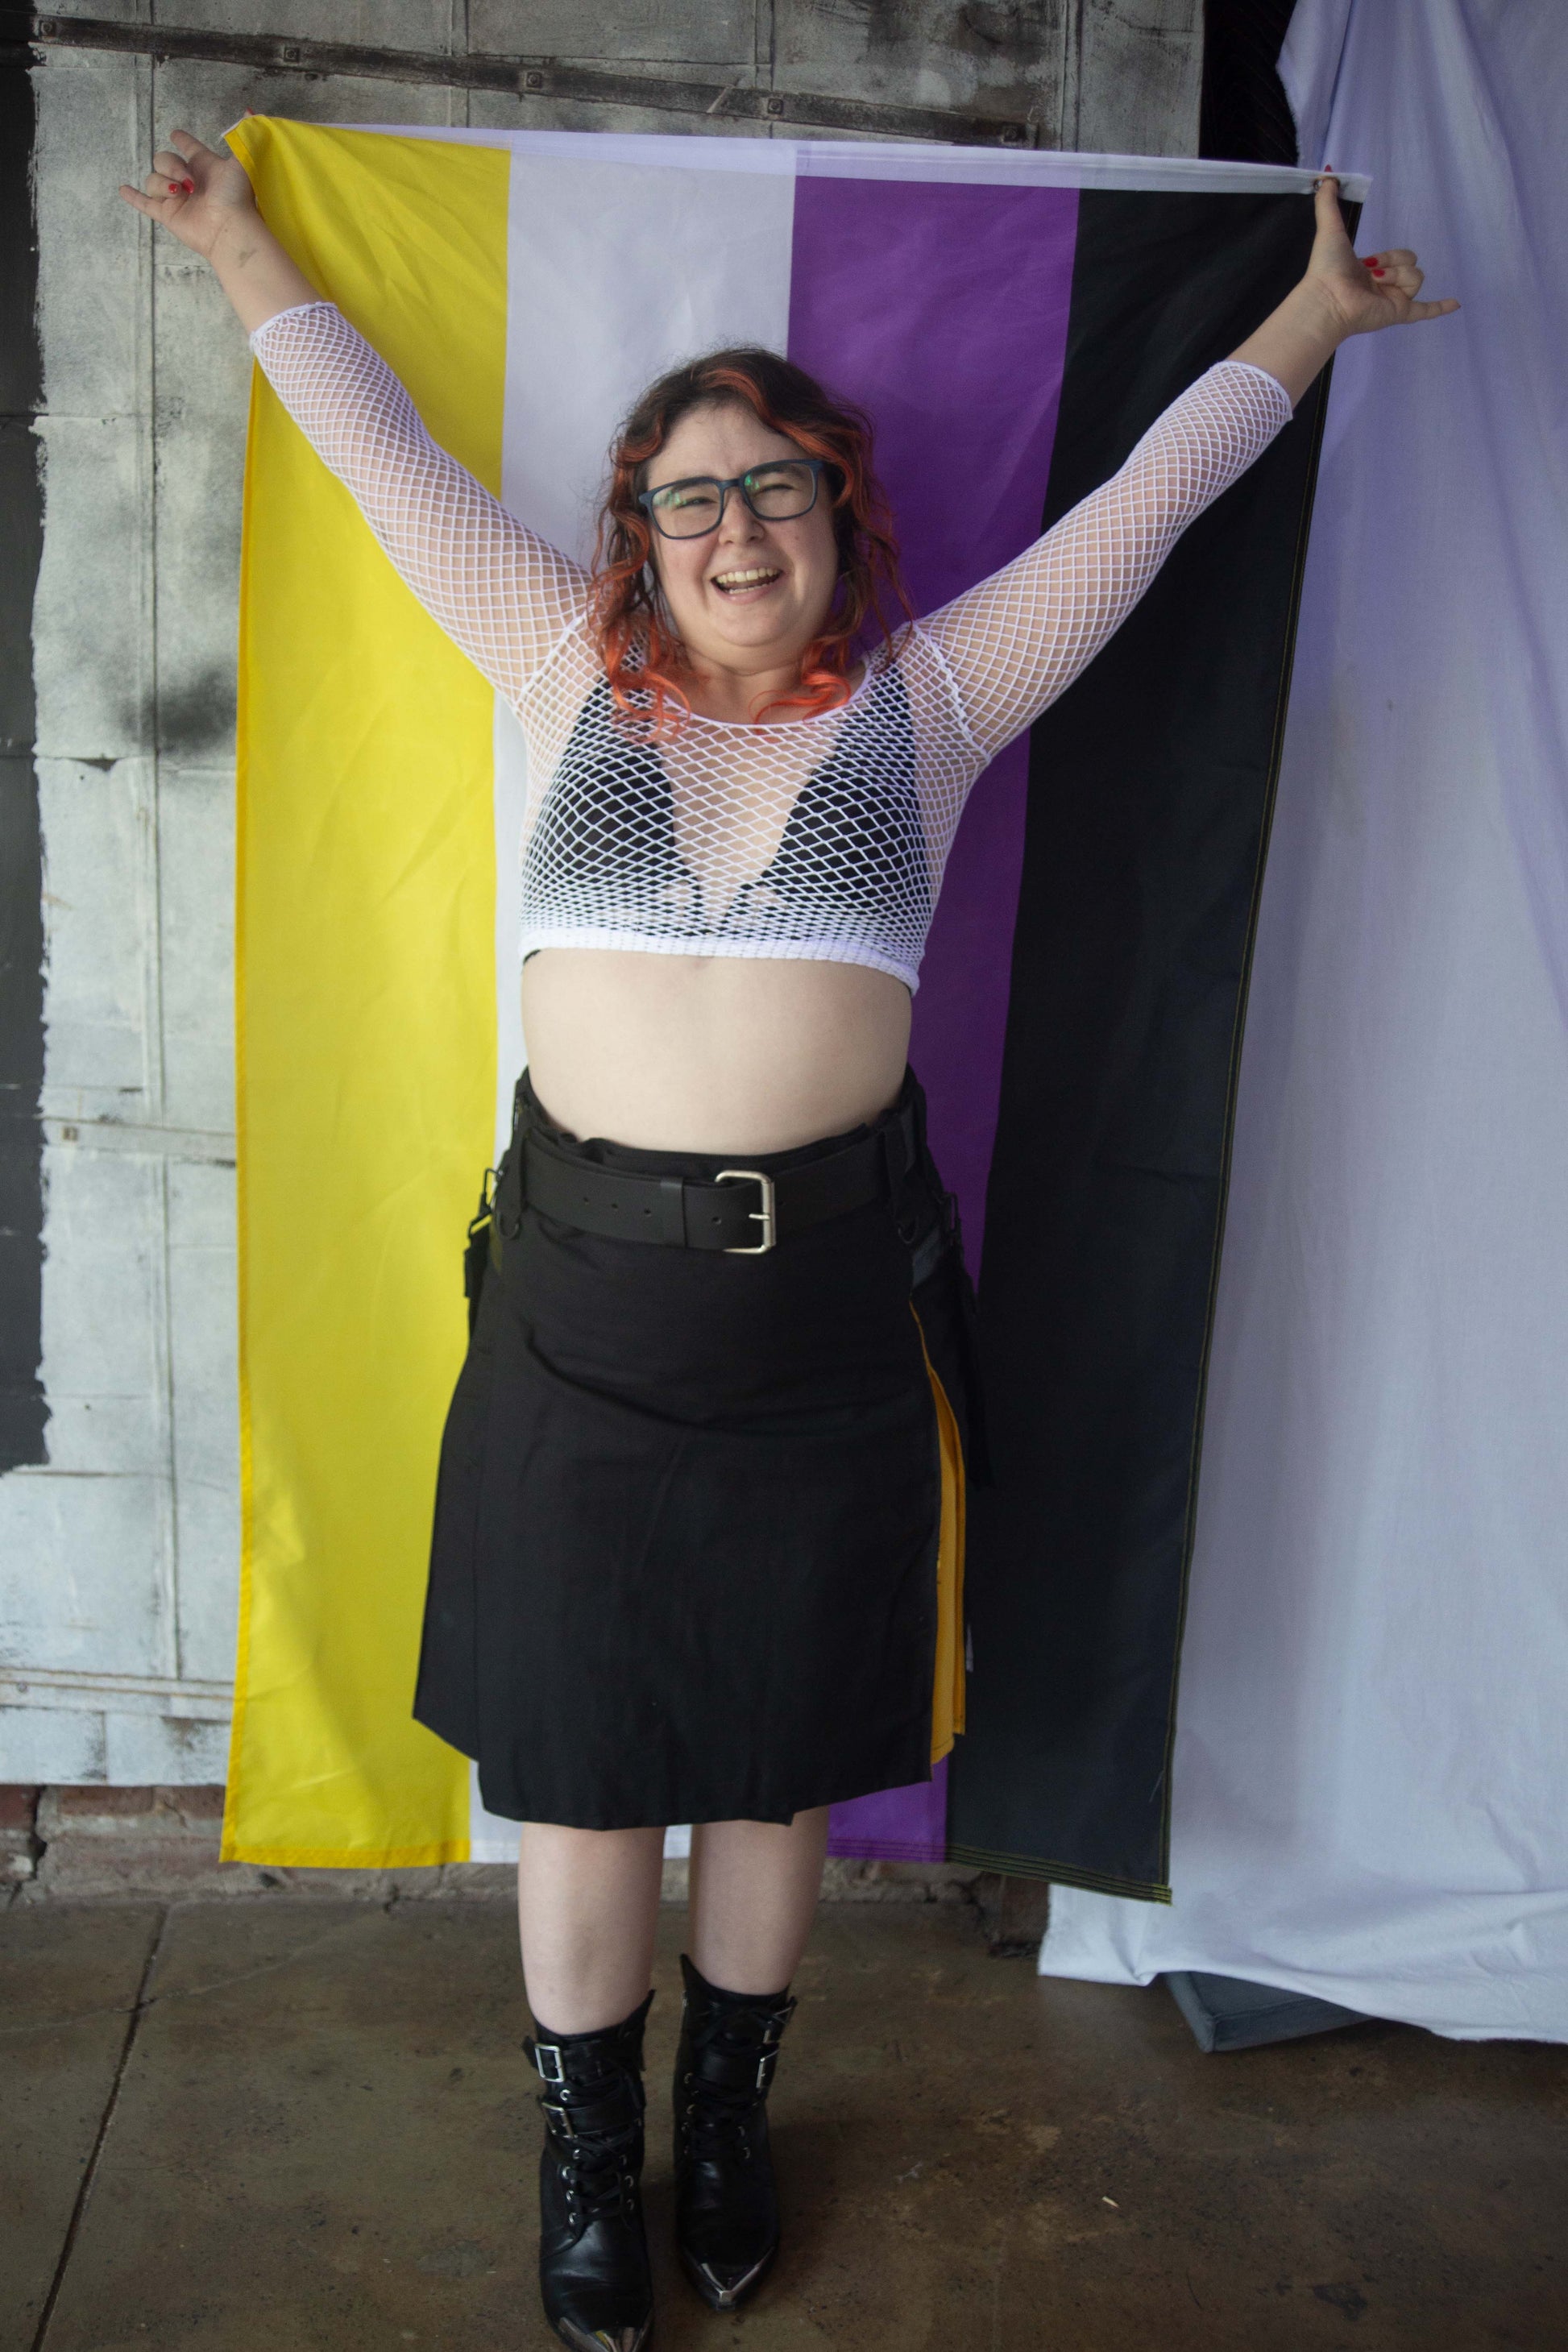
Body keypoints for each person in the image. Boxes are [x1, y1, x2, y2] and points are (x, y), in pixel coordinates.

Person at [120, 129, 1456, 2352]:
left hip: (832, 1306)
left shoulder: (925, 701)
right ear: (636, 534)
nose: (734, 529)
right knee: (573, 1757)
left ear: (841, 521)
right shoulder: (558, 667)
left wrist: (1306, 321)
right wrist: (239, 234)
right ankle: (588, 2162)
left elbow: (1144, 511)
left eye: (775, 491)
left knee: (774, 1753)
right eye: (689, 494)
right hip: (575, 1307)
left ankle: (728, 2124)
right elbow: (368, 440)